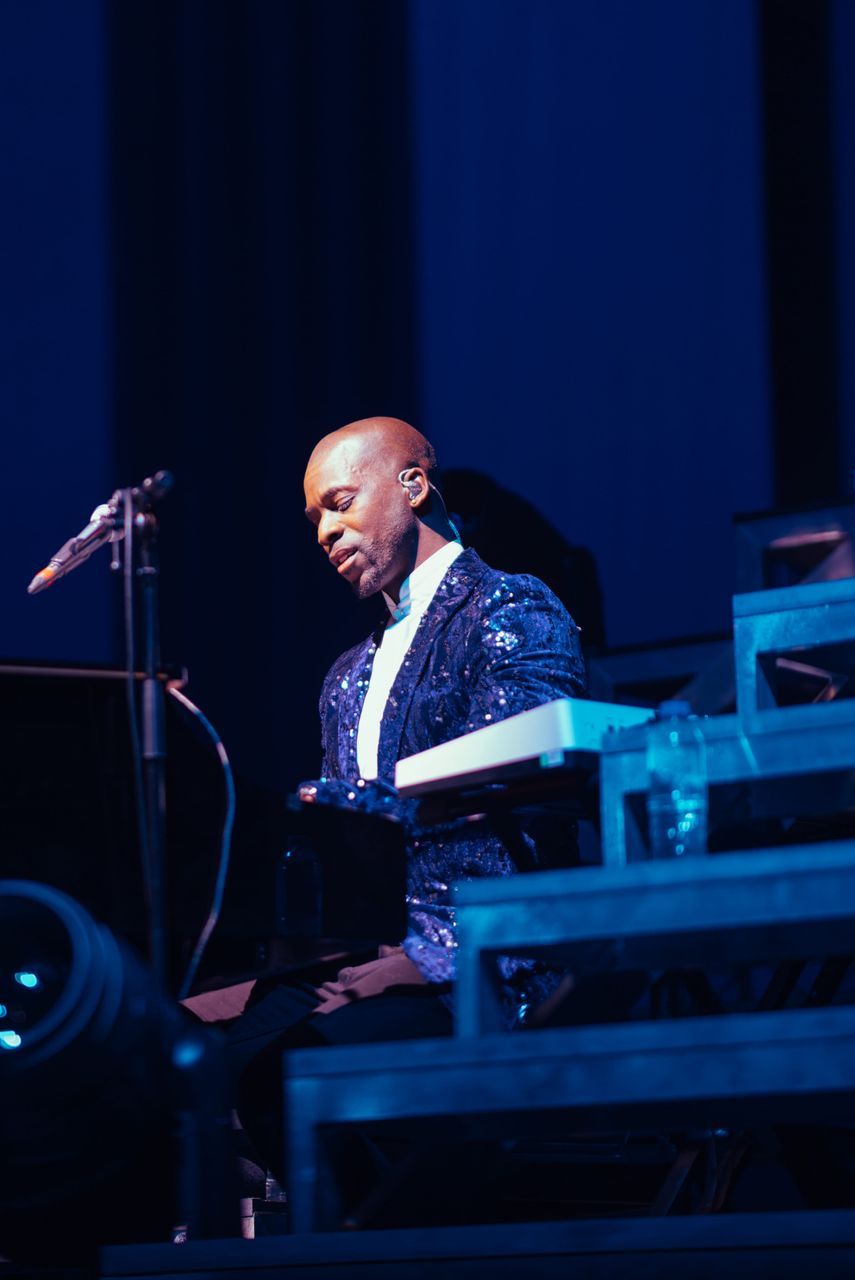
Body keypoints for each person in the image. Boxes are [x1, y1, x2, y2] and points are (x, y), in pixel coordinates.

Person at [185, 415, 587, 1188]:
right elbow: (347, 851)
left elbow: (522, 790)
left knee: (280, 1070)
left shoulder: (512, 608)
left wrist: (413, 954)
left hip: (478, 959)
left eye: (339, 502)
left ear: (413, 485)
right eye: (315, 520)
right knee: (184, 1050)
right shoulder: (347, 675)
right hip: (362, 954)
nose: (326, 533)